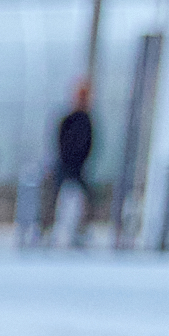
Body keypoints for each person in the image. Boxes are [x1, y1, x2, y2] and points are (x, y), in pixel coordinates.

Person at [41, 81, 94, 247]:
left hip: (79, 167)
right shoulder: (68, 120)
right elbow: (60, 142)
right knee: (57, 196)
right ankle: (49, 229)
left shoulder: (86, 120)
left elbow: (89, 144)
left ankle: (80, 230)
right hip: (65, 165)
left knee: (83, 198)